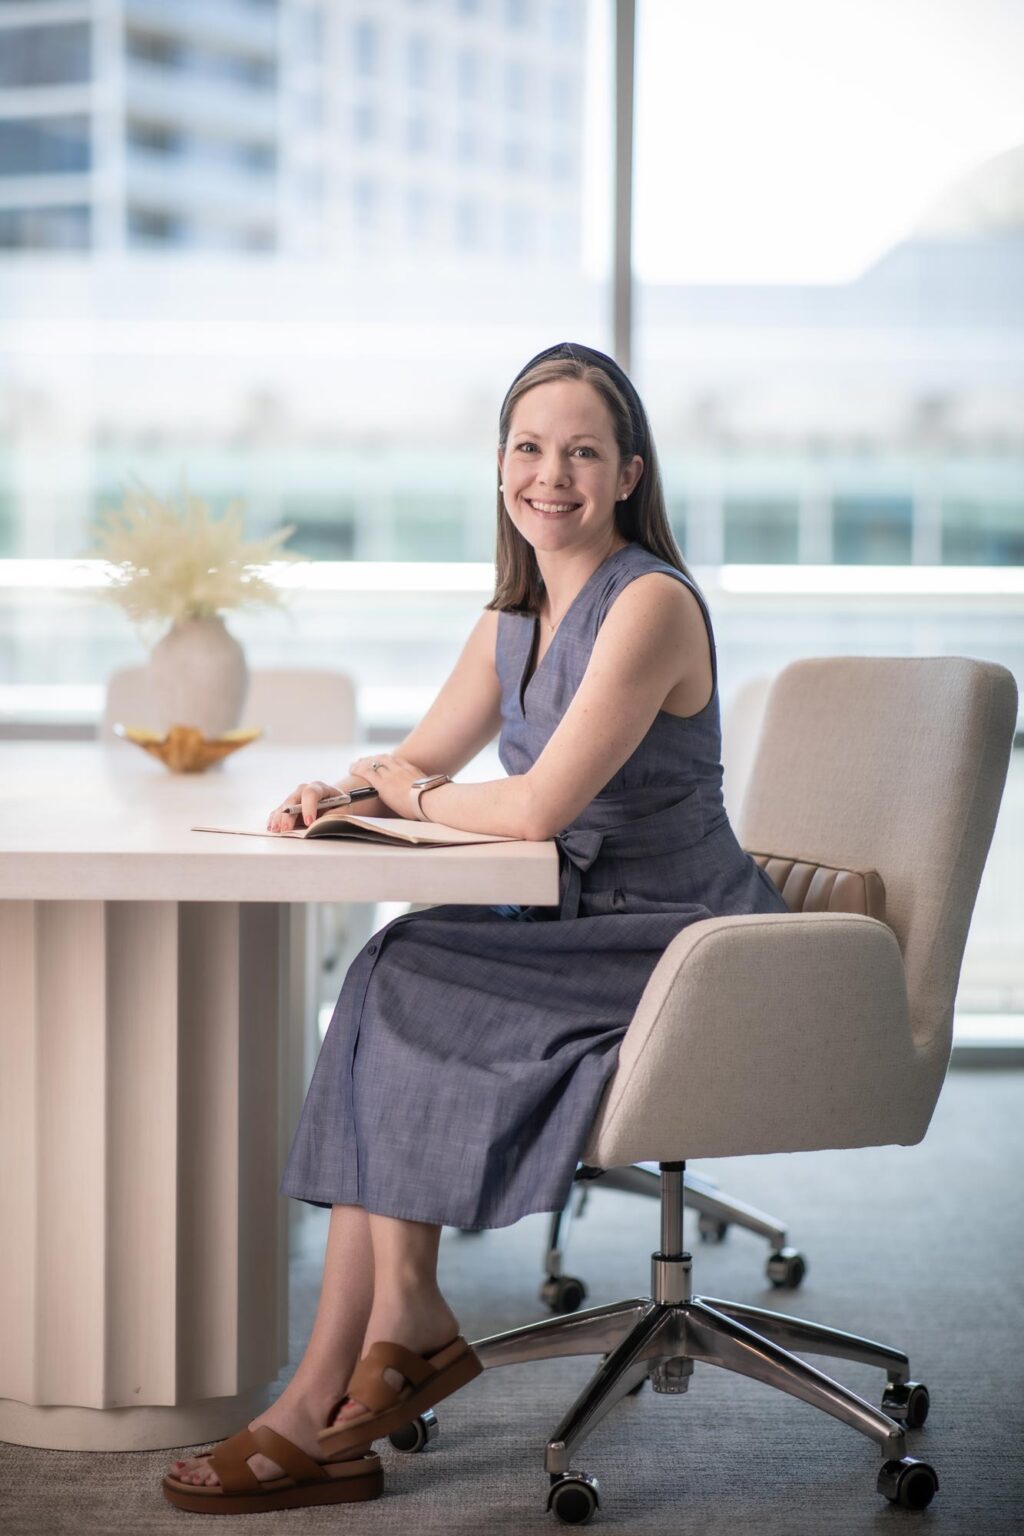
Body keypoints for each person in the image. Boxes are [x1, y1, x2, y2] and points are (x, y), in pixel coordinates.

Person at [163, 342, 788, 1514]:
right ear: (501, 464)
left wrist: (409, 797)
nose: (550, 475)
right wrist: (342, 796)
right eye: (528, 448)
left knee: (407, 971)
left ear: (627, 474)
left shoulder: (646, 602)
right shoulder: (515, 614)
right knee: (398, 964)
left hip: (677, 939)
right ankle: (399, 1318)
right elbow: (421, 762)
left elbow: (538, 804)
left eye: (582, 453)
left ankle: (333, 1388)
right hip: (576, 918)